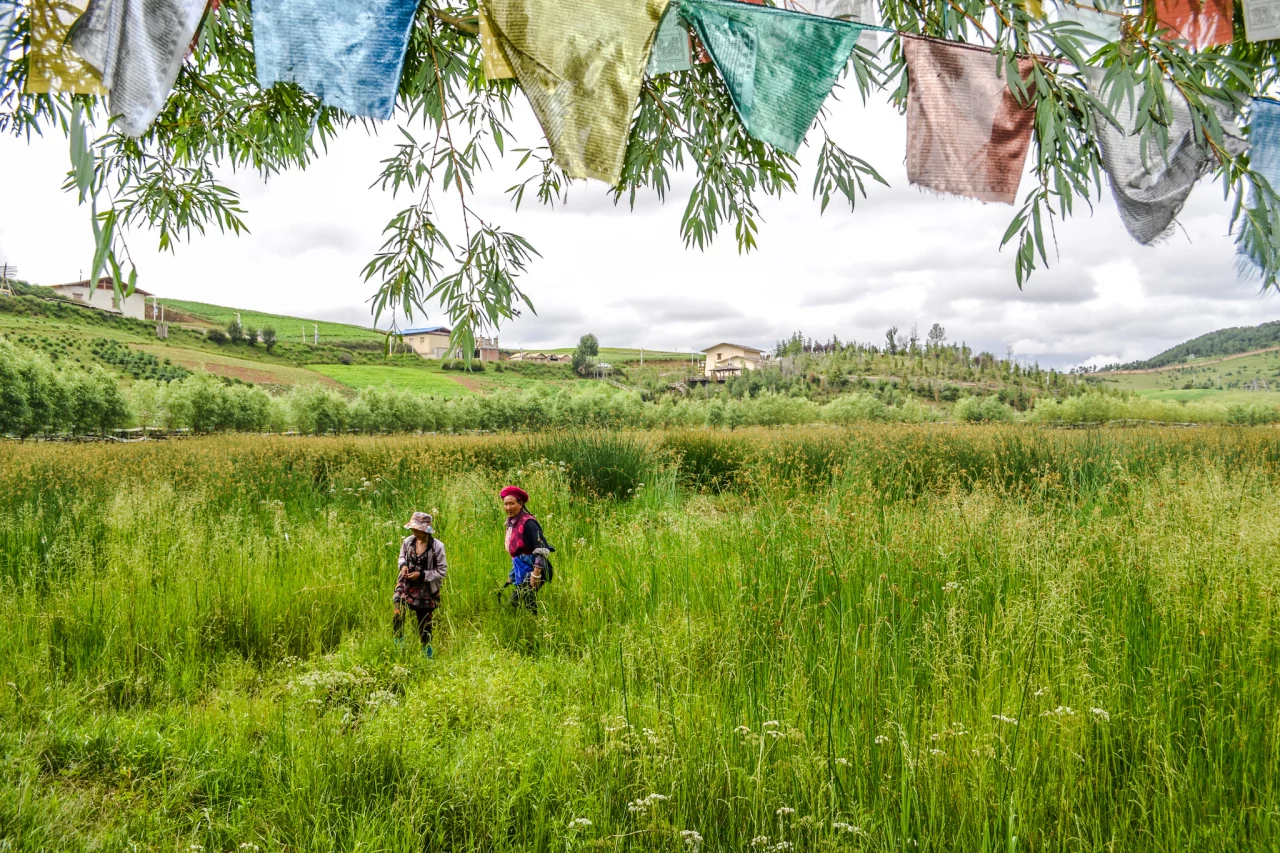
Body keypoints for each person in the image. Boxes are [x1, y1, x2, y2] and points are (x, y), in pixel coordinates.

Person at [394, 511, 447, 657]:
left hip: (425, 589)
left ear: (426, 530)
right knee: (398, 615)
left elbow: (442, 571)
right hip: (405, 583)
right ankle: (398, 649)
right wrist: (403, 566)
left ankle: (426, 655)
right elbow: (401, 557)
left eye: (418, 529)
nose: (415, 531)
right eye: (413, 528)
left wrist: (422, 575)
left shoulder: (437, 547)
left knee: (424, 623)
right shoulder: (408, 541)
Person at [501, 486, 554, 613]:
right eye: (505, 504)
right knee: (526, 601)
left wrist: (535, 575)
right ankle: (534, 623)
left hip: (535, 569)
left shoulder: (529, 523)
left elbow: (541, 549)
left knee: (517, 603)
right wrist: (512, 574)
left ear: (520, 504)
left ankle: (536, 625)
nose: (508, 507)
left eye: (511, 503)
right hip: (523, 569)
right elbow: (518, 554)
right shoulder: (512, 522)